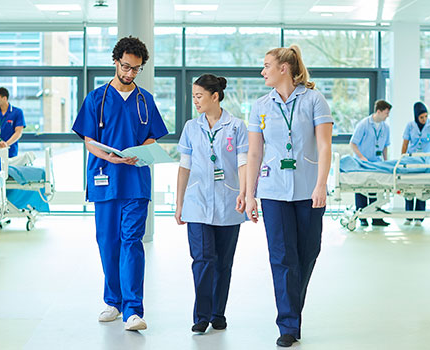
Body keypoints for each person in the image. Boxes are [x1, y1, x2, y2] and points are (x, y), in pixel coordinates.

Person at [71, 36, 168, 332]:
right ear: (116, 61)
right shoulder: (96, 98)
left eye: (135, 69)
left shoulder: (145, 100)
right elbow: (89, 142)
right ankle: (113, 301)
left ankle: (133, 310)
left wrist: (140, 151)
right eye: (125, 66)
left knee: (131, 242)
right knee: (107, 243)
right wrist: (110, 158)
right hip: (105, 179)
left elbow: (153, 136)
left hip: (136, 182)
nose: (129, 73)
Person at [244, 45, 333, 348]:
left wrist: (321, 185)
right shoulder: (260, 106)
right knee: (282, 257)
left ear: (284, 68)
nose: (262, 71)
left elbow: (324, 147)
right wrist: (250, 193)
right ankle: (288, 324)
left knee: (307, 253)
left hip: (309, 190)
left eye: (266, 65)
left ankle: (292, 310)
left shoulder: (314, 100)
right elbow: (255, 152)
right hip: (272, 191)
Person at [174, 74, 248, 334]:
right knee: (203, 259)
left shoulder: (237, 126)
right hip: (197, 203)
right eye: (193, 96)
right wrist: (179, 203)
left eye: (199, 96)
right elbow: (184, 167)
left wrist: (247, 194)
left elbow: (243, 164)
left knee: (223, 262)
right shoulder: (191, 127)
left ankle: (218, 313)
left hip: (229, 203)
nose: (195, 101)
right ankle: (202, 315)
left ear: (214, 96)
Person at [350, 99, 392, 227]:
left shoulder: (386, 127)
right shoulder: (364, 124)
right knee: (362, 189)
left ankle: (376, 218)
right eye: (386, 113)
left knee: (376, 188)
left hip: (377, 163)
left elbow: (385, 146)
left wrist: (386, 161)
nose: (387, 116)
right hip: (363, 163)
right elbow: (353, 144)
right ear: (378, 112)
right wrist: (362, 157)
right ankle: (362, 217)